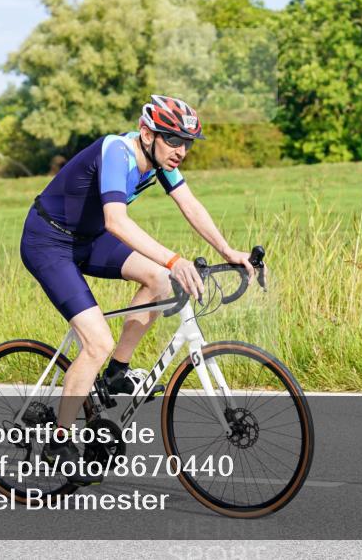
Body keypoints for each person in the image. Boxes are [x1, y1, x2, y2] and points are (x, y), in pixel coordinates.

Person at [19, 95, 256, 485]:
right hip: (49, 242)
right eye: (173, 140)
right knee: (96, 341)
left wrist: (228, 251)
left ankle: (116, 373)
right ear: (147, 133)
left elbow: (190, 204)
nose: (181, 150)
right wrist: (174, 258)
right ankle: (59, 441)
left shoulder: (161, 162)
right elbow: (116, 221)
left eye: (187, 143)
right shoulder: (117, 151)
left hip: (87, 238)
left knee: (160, 281)